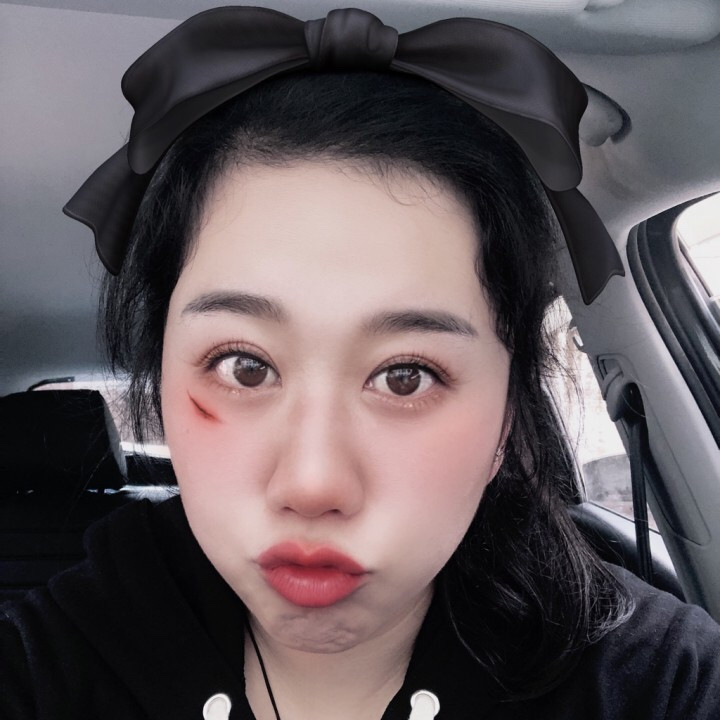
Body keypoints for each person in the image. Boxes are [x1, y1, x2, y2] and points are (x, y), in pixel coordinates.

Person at [2, 6, 720, 720]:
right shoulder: (44, 666)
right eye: (244, 367)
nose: (313, 484)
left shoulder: (661, 684)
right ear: (162, 390)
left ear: (507, 419)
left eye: (406, 376)